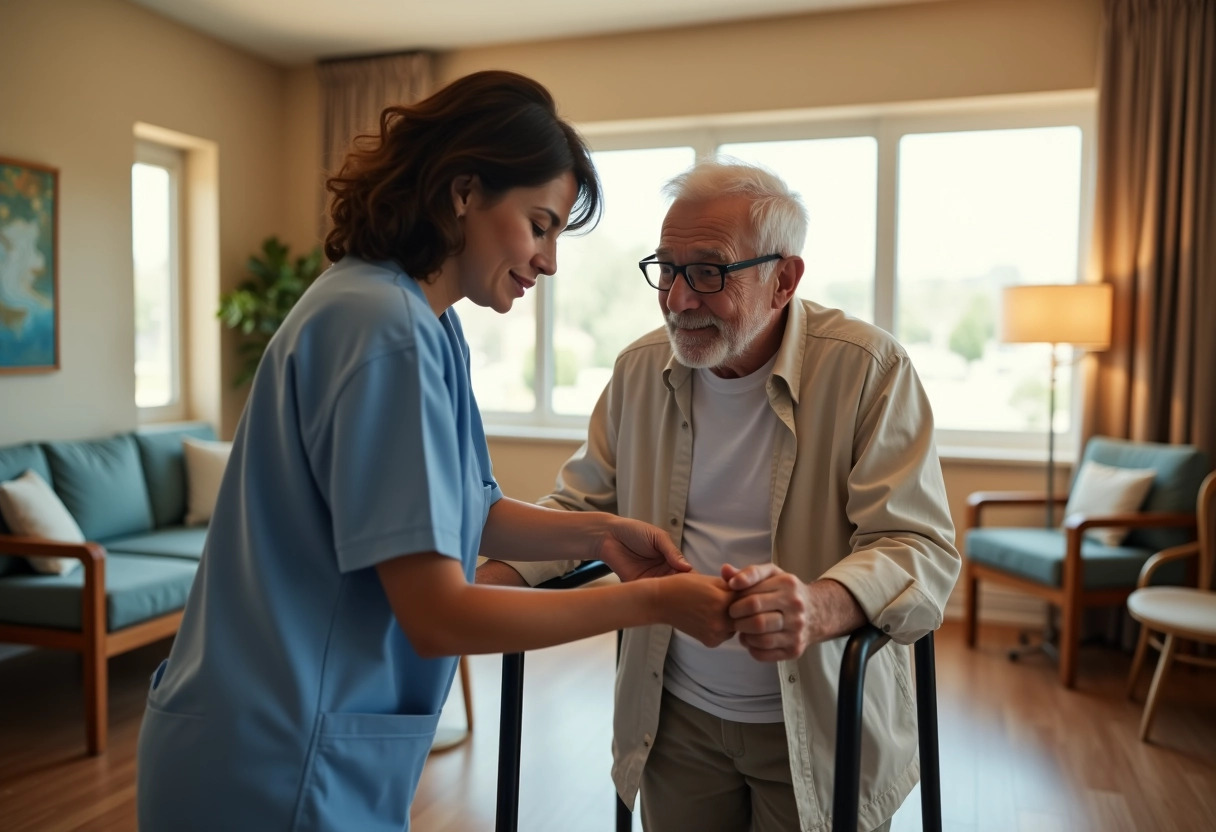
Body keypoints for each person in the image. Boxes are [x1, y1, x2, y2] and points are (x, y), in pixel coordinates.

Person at [135, 71, 737, 832]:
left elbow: (469, 508)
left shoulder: (419, 318)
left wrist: (601, 533)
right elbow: (437, 616)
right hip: (278, 760)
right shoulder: (383, 329)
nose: (550, 261)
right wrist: (651, 603)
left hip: (288, 738)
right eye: (540, 224)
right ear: (463, 192)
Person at [479, 160, 961, 832]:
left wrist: (818, 606)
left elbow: (920, 547)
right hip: (672, 715)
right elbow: (580, 512)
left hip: (816, 722)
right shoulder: (639, 371)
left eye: (709, 272)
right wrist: (474, 587)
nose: (678, 299)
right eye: (667, 270)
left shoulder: (867, 370)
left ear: (784, 280)